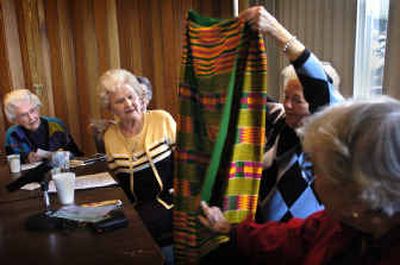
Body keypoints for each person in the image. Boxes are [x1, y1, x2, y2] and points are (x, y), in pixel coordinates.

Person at [200, 96, 400, 264]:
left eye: (314, 169)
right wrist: (232, 230)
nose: (312, 179)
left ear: (356, 190)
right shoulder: (341, 222)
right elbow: (290, 238)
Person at [240, 5, 344, 223]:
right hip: (264, 233)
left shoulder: (326, 134)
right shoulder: (281, 121)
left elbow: (318, 85)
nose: (287, 104)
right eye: (285, 96)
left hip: (297, 243)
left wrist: (276, 31)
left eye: (297, 100)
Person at [97, 69, 176, 265]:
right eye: (120, 101)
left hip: (171, 200)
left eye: (131, 96)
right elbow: (118, 185)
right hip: (137, 208)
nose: (129, 104)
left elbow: (186, 164)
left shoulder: (161, 119)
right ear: (111, 108)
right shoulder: (110, 136)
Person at [3, 89, 83, 163]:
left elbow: (77, 155)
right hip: (34, 177)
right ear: (15, 119)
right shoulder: (12, 135)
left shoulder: (56, 125)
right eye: (23, 115)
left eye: (32, 110)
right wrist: (26, 159)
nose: (31, 117)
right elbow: (13, 168)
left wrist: (64, 155)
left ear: (37, 108)